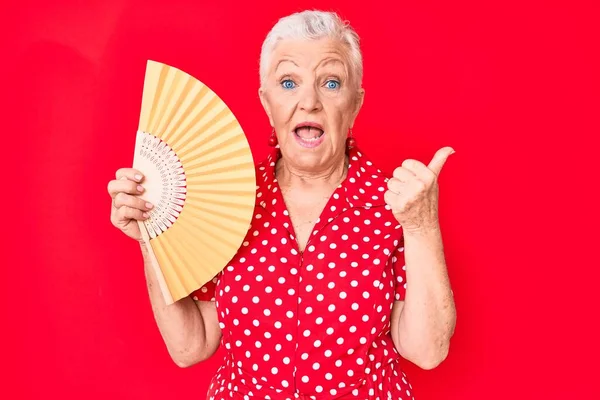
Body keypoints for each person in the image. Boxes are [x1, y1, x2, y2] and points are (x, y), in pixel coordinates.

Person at [107, 10, 456, 400]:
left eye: (331, 82)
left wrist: (421, 225)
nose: (309, 102)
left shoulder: (397, 203)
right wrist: (150, 235)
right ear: (266, 102)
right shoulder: (226, 197)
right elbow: (191, 344)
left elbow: (426, 351)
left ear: (355, 104)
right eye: (289, 82)